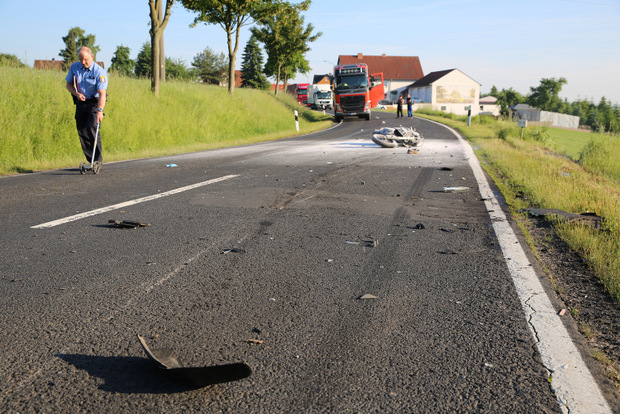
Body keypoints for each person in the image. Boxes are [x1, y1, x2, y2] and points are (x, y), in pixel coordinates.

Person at [65, 46, 107, 170]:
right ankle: (91, 160)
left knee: (92, 127)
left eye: (86, 60)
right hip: (81, 102)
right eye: (81, 59)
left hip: (95, 102)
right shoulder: (75, 67)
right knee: (82, 130)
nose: (83, 62)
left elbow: (102, 94)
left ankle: (98, 160)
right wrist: (76, 93)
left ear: (92, 57)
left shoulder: (99, 71)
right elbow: (68, 84)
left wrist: (100, 111)